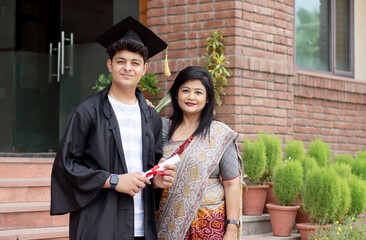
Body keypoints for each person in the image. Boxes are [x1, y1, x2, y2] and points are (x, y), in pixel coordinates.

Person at [50, 16, 176, 240]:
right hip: (99, 224)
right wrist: (114, 180)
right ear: (110, 65)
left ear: (144, 68)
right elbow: (67, 166)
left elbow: (152, 167)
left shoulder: (152, 118)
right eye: (121, 61)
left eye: (135, 63)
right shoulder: (87, 112)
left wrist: (156, 181)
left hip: (141, 226)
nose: (128, 68)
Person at [156, 66, 243, 240]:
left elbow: (232, 184)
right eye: (185, 90)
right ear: (176, 94)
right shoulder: (162, 129)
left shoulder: (219, 133)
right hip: (169, 222)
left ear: (207, 98)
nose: (191, 97)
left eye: (198, 92)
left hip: (210, 224)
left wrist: (232, 228)